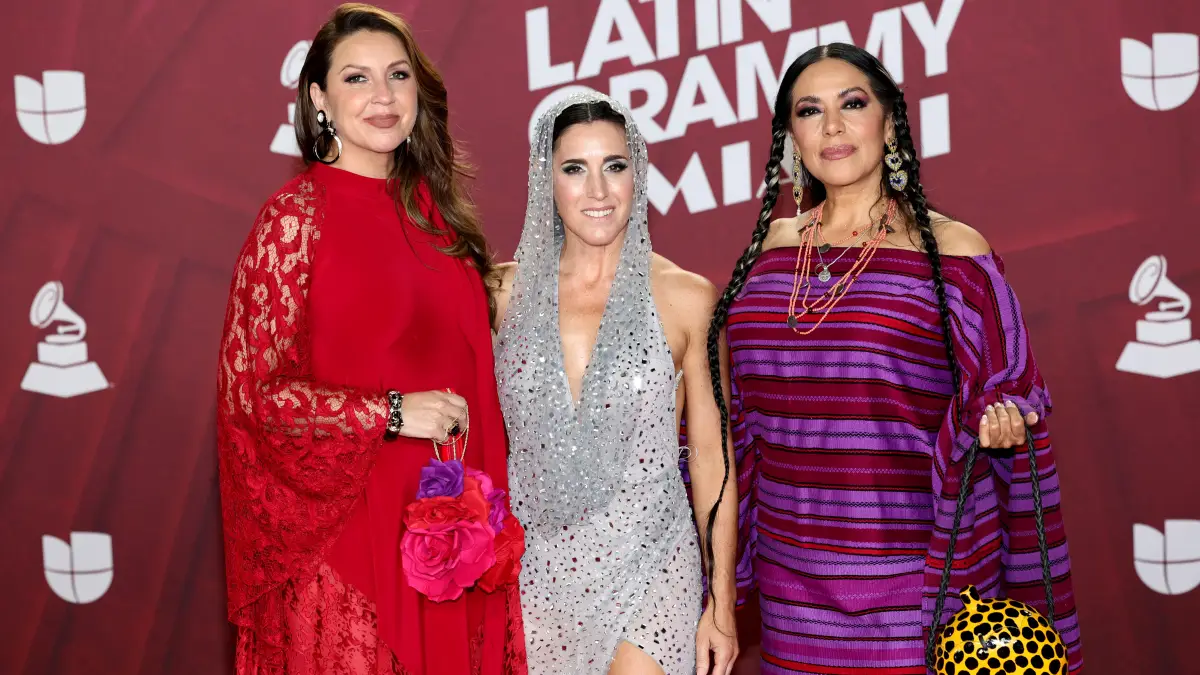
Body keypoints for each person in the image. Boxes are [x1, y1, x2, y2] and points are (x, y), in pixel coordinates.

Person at [706, 44, 1083, 674]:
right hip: (790, 587)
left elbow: (1010, 385)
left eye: (852, 104)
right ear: (791, 138)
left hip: (917, 583)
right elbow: (733, 415)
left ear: (889, 125)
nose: (832, 126)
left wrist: (1001, 418)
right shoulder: (767, 254)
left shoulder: (955, 254)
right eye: (810, 111)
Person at [215, 4, 525, 673]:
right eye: (357, 78)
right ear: (319, 99)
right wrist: (390, 412)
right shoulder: (293, 220)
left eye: (397, 75)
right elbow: (256, 399)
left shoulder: (440, 216)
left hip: (454, 537)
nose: (383, 96)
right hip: (351, 546)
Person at [489, 92, 739, 675]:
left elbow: (711, 457)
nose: (598, 191)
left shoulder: (686, 298)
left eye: (615, 166)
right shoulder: (500, 295)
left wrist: (721, 602)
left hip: (652, 561)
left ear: (639, 173)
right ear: (545, 180)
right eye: (575, 169)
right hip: (536, 572)